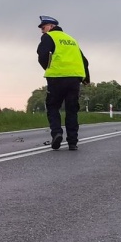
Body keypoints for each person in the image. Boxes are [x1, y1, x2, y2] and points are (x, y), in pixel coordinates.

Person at [36, 15, 90, 151]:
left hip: (57, 78)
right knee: (72, 110)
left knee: (52, 106)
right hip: (74, 80)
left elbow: (42, 54)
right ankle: (73, 142)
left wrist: (47, 67)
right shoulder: (72, 40)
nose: (42, 31)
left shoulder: (49, 37)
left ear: (51, 26)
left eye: (43, 28)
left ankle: (57, 133)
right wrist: (86, 79)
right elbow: (84, 60)